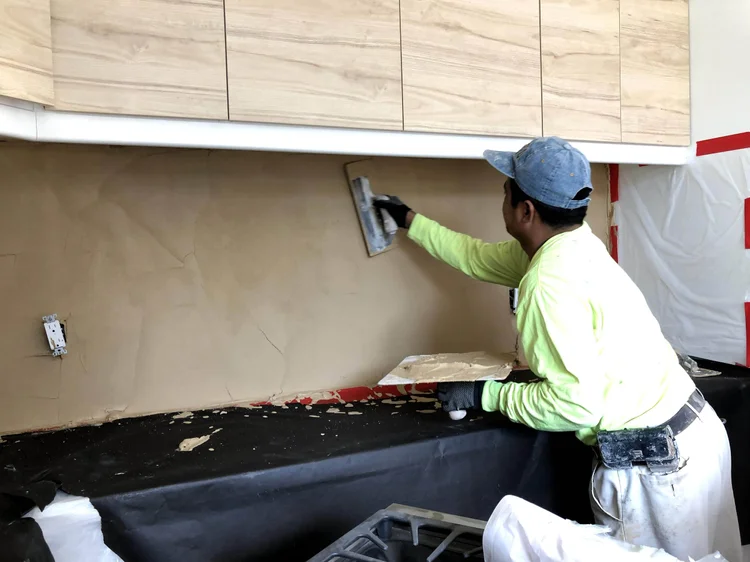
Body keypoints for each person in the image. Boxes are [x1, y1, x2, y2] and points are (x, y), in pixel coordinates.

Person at [374, 137, 742, 562]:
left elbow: (576, 406)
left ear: (525, 211)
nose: (502, 200)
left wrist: (485, 394)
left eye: (506, 192)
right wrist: (409, 219)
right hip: (696, 436)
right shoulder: (574, 244)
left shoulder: (546, 281)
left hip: (657, 472)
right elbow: (475, 258)